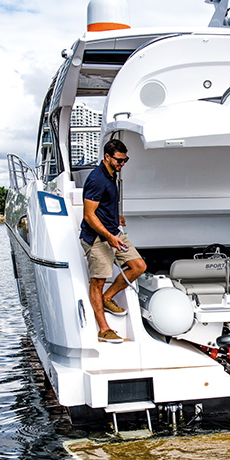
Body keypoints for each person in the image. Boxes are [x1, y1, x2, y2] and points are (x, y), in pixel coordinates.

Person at [80, 139, 147, 343]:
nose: (122, 164)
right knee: (97, 282)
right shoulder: (97, 179)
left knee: (138, 266)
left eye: (125, 160)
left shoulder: (112, 174)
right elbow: (89, 215)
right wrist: (110, 238)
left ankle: (108, 298)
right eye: (119, 160)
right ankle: (103, 329)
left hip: (112, 231)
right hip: (97, 238)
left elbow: (104, 204)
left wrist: (114, 217)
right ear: (107, 157)